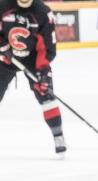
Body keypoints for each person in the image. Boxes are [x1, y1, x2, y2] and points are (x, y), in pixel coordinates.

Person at [0, 0, 66, 155]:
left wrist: (43, 72)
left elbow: (47, 46)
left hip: (33, 59)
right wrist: (2, 46)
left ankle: (58, 135)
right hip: (7, 57)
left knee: (46, 94)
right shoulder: (3, 6)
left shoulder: (42, 11)